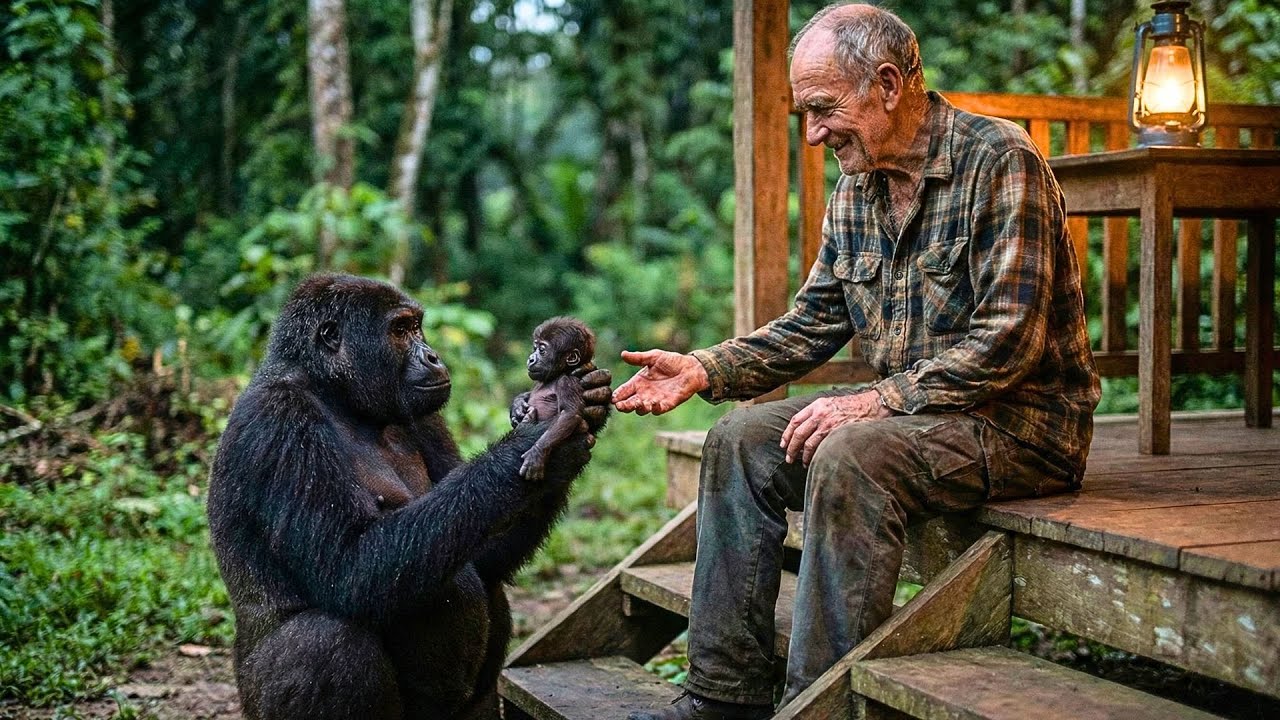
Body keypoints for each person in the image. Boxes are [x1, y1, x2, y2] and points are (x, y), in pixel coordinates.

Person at [612, 4, 1101, 719]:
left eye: (822, 109)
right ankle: (722, 697)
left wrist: (875, 401)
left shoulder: (999, 159)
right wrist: (705, 368)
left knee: (851, 452)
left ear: (888, 83)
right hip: (919, 422)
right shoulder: (856, 190)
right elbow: (814, 323)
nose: (811, 135)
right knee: (738, 441)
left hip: (1023, 427)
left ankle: (818, 707)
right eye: (803, 115)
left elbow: (1009, 340)